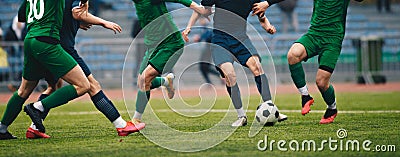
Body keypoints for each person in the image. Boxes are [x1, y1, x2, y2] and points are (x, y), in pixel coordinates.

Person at [24, 0, 146, 139]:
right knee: (92, 85)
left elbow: (65, 14)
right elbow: (77, 12)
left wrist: (74, 22)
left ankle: (33, 128)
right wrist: (103, 22)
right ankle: (121, 125)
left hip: (48, 43)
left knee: (54, 87)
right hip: (63, 48)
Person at [252, 0, 364, 124]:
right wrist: (268, 3)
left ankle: (332, 108)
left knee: (321, 82)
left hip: (333, 39)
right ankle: (305, 96)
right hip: (314, 34)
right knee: (292, 55)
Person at [182, 0, 287, 127]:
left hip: (241, 38)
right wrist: (189, 27)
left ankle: (271, 108)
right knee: (230, 74)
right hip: (221, 41)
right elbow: (203, 10)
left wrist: (268, 26)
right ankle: (241, 116)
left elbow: (262, 16)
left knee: (257, 66)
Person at [0, 0, 92, 140]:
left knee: (23, 90)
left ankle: (2, 128)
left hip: (30, 40)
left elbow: (21, 16)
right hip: (47, 41)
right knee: (83, 85)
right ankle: (38, 107)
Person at [130, 0, 209, 124]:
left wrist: (197, 8)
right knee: (141, 82)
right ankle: (166, 81)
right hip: (152, 45)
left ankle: (136, 120)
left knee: (145, 78)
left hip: (170, 43)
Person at [194, 18, 221, 85]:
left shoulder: (207, 28)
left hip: (209, 50)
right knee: (204, 68)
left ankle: (213, 81)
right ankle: (213, 80)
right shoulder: (204, 28)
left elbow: (209, 35)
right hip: (208, 50)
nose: (200, 21)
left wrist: (199, 38)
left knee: (203, 67)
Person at [4, 15, 26, 92]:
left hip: (23, 52)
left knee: (23, 64)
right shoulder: (10, 30)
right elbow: (6, 41)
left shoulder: (25, 29)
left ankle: (21, 84)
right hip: (13, 53)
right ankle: (14, 84)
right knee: (14, 67)